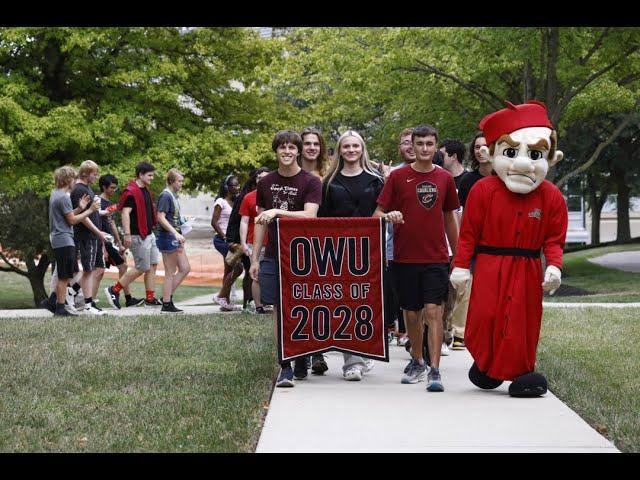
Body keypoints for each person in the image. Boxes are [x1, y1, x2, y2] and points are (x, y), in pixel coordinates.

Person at [450, 100, 567, 397]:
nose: (524, 163)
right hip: (490, 264)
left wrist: (554, 266)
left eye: (535, 154)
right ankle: (488, 365)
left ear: (550, 158)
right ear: (494, 153)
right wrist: (461, 266)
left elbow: (554, 239)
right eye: (512, 152)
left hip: (527, 267)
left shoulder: (551, 197)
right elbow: (468, 235)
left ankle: (522, 371)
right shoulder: (482, 191)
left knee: (522, 321)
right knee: (485, 316)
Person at [374, 124, 459, 392]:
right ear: (412, 145)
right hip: (403, 257)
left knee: (434, 311)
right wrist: (389, 216)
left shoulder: (445, 178)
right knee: (412, 314)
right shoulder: (398, 178)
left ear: (436, 147)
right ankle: (417, 361)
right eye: (419, 143)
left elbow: (449, 217)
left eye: (429, 144)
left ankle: (435, 370)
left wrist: (458, 254)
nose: (423, 149)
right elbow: (377, 214)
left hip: (436, 257)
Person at [249, 130, 322, 388]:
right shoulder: (265, 182)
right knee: (279, 309)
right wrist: (255, 259)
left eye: (292, 147)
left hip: (304, 255)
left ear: (298, 151)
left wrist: (277, 210)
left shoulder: (311, 181)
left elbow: (310, 216)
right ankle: (285, 364)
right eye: (282, 148)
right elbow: (260, 222)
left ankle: (302, 354)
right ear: (276, 151)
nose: (287, 152)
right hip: (274, 254)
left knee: (303, 307)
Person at [318, 130, 384, 381]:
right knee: (345, 304)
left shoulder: (376, 180)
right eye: (346, 146)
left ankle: (364, 350)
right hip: (338, 252)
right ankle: (351, 362)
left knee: (366, 303)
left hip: (369, 251)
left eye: (355, 146)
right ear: (339, 150)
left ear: (362, 148)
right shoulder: (328, 183)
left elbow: (384, 213)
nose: (351, 150)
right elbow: (320, 220)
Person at [450, 133, 493, 350]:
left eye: (485, 146)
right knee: (465, 287)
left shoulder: (505, 176)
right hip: (474, 239)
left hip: (497, 241)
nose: (480, 150)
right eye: (477, 147)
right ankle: (459, 333)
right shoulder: (468, 180)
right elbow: (460, 212)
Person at [42, 166, 100, 316]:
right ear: (68, 180)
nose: (75, 181)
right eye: (73, 178)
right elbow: (72, 221)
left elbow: (67, 216)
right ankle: (59, 308)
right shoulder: (63, 197)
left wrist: (80, 208)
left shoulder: (55, 194)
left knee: (65, 274)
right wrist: (90, 210)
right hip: (64, 238)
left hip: (58, 237)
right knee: (64, 276)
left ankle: (53, 301)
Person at [297, 127, 332, 375]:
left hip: (324, 241)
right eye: (307, 143)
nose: (311, 147)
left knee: (321, 297)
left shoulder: (329, 175)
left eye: (315, 144)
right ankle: (302, 350)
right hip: (297, 241)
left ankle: (318, 350)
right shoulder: (291, 174)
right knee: (301, 297)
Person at [104, 161, 161, 309]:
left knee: (152, 265)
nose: (152, 178)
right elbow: (125, 213)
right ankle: (114, 290)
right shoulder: (131, 191)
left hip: (149, 234)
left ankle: (150, 298)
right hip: (138, 235)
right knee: (142, 267)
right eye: (149, 175)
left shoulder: (145, 190)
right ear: (141, 174)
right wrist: (127, 234)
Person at [93, 174, 145, 308]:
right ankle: (93, 299)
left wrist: (119, 243)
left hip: (110, 240)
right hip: (102, 240)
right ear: (103, 187)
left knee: (112, 268)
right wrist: (103, 247)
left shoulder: (109, 204)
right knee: (106, 270)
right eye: (111, 188)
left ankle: (127, 298)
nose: (114, 190)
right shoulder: (97, 201)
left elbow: (111, 224)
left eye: (115, 188)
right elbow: (97, 224)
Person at [70, 160, 108, 315]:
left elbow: (91, 212)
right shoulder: (79, 190)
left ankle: (72, 292)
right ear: (85, 173)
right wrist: (98, 232)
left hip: (93, 235)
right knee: (88, 270)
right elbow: (82, 216)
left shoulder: (87, 188)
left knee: (95, 268)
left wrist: (102, 213)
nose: (96, 176)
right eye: (94, 173)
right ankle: (87, 305)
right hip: (87, 235)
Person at [156, 168, 191, 313]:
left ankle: (166, 296)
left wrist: (183, 221)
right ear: (171, 181)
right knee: (170, 271)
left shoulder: (173, 196)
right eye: (179, 181)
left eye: (182, 181)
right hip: (168, 237)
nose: (182, 183)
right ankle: (166, 303)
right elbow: (160, 217)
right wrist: (175, 233)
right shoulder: (165, 195)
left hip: (175, 236)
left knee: (185, 268)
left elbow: (171, 217)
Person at [238, 167, 271, 314]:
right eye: (259, 178)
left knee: (272, 273)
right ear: (255, 180)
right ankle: (258, 306)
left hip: (274, 242)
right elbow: (244, 221)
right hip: (255, 242)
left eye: (265, 177)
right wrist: (244, 243)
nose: (262, 180)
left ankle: (269, 302)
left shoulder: (275, 196)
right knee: (256, 274)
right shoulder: (248, 197)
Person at [211, 174, 242, 311]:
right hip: (222, 240)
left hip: (231, 239)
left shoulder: (236, 202)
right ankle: (221, 296)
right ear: (226, 187)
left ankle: (225, 303)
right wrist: (225, 237)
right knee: (239, 267)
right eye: (234, 185)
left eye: (238, 185)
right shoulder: (220, 202)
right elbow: (214, 222)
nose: (237, 187)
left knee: (228, 269)